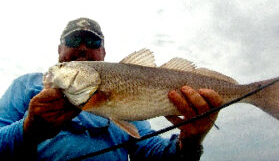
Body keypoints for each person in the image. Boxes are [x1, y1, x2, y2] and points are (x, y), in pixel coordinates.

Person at [0, 17, 223, 160]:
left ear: (104, 54)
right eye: (74, 40)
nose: (83, 48)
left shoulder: (127, 102)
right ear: (59, 50)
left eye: (93, 43)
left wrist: (191, 141)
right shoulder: (25, 86)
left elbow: (152, 153)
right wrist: (27, 129)